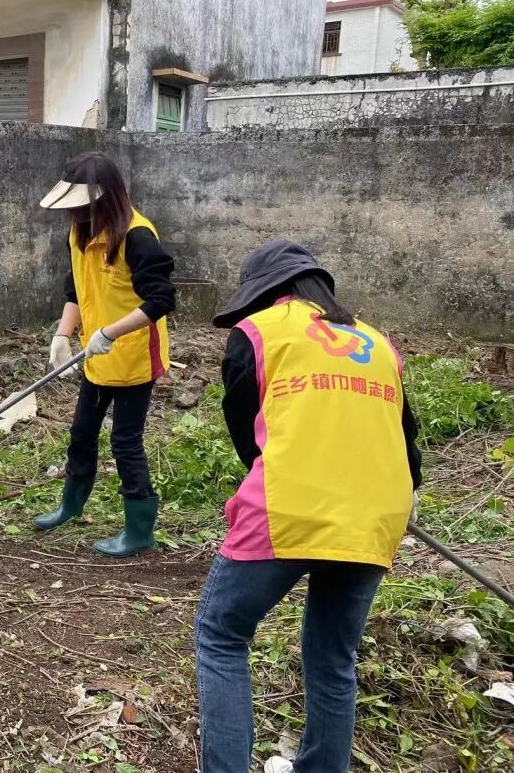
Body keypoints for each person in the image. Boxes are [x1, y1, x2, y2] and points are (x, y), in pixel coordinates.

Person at [195, 241, 423, 773]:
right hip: (376, 515)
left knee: (222, 635)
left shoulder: (257, 333)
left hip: (289, 508)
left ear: (265, 293)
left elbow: (250, 439)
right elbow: (405, 438)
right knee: (334, 657)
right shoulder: (377, 343)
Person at [34, 152, 176, 557]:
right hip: (96, 355)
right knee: (82, 432)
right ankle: (71, 505)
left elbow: (161, 299)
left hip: (134, 356)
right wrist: (63, 334)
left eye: (84, 207)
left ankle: (139, 529)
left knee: (125, 441)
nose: (76, 214)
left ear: (105, 199)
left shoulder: (137, 236)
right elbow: (76, 289)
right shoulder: (79, 233)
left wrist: (110, 333)